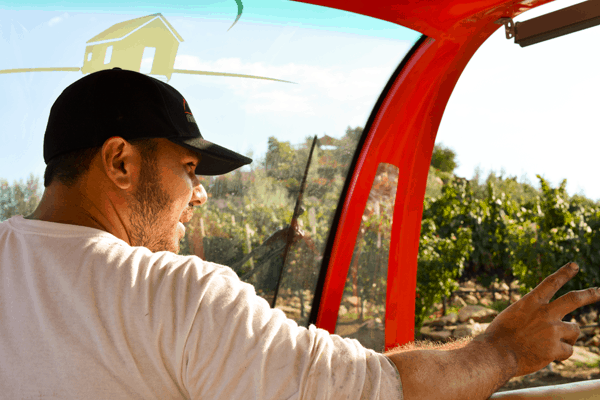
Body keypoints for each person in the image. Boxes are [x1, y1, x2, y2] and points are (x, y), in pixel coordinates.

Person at [0, 68, 598, 400]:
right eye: (187, 169)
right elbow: (377, 391)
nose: (200, 194)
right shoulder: (177, 298)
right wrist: (504, 351)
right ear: (120, 162)